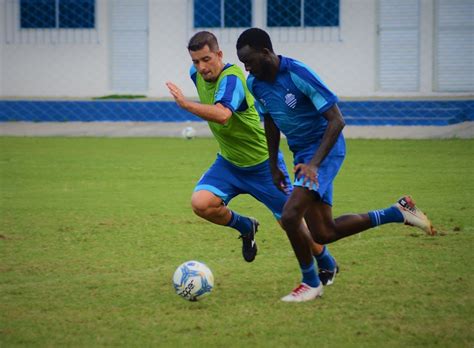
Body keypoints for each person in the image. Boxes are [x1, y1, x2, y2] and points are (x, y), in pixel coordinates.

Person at [236, 27, 436, 302]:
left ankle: (310, 282)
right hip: (302, 157)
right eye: (243, 63)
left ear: (266, 52)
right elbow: (269, 121)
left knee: (291, 215)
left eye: (250, 61)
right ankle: (397, 212)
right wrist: (273, 164)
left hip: (324, 150)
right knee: (323, 232)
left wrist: (315, 165)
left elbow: (337, 120)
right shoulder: (255, 84)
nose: (246, 68)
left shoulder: (298, 74)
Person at [166, 31, 339, 286]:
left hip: (261, 165)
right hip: (229, 163)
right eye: (195, 62)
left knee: (290, 223)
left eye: (206, 59)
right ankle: (246, 227)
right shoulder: (197, 76)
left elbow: (222, 114)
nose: (201, 68)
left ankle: (325, 260)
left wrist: (185, 104)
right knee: (201, 203)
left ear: (219, 55)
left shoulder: (234, 78)